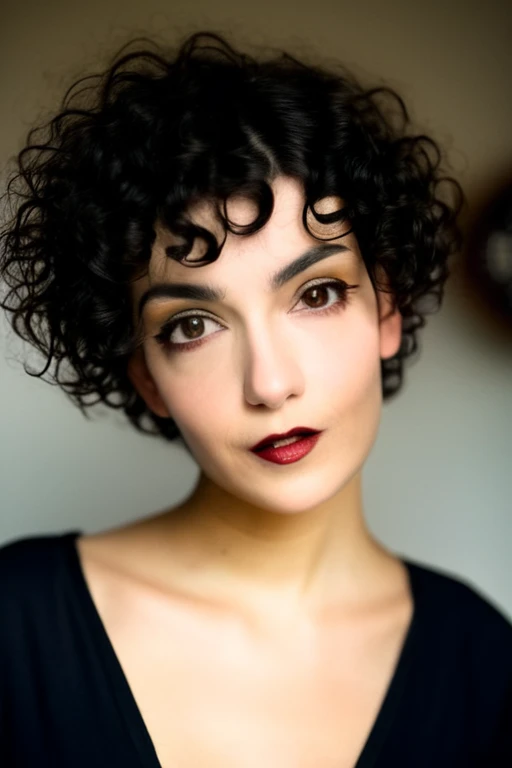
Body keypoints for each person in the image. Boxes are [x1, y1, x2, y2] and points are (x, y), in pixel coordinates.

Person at [0, 29, 510, 768]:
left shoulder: (485, 667)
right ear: (146, 375)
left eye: (318, 293)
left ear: (387, 309)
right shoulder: (18, 628)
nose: (271, 384)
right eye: (193, 324)